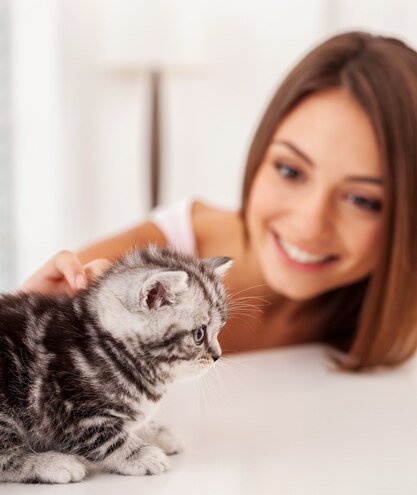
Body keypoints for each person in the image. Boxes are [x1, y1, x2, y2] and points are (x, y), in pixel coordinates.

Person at [22, 31, 417, 370]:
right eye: (290, 171)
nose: (311, 223)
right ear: (260, 153)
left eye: (362, 200)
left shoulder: (392, 305)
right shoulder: (125, 275)